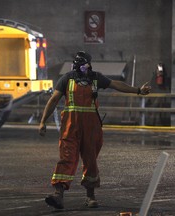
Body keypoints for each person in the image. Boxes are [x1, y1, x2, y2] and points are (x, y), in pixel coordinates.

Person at [39, 51, 151, 209]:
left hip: (91, 128)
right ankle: (58, 195)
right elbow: (54, 99)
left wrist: (138, 90)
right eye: (83, 65)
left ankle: (90, 197)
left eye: (87, 65)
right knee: (66, 158)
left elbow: (116, 84)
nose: (86, 68)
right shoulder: (67, 79)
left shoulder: (96, 78)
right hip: (70, 128)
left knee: (90, 161)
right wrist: (43, 121)